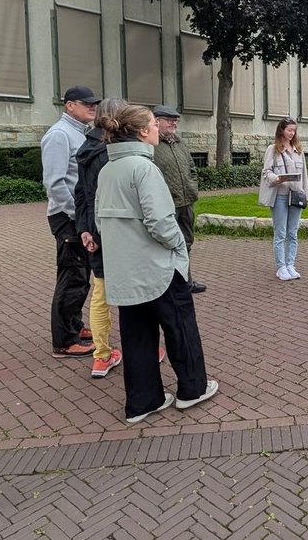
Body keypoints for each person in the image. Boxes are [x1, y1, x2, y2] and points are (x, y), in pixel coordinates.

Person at [95, 103, 218, 424]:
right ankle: (193, 388)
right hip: (158, 268)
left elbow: (100, 220)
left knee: (137, 337)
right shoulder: (144, 168)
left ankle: (143, 400)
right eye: (152, 124)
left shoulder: (108, 170)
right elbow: (162, 222)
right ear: (142, 131)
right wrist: (179, 248)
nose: (157, 129)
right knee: (180, 327)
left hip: (125, 270)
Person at [42, 85, 100, 359]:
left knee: (81, 276)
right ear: (69, 106)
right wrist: (78, 217)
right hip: (68, 218)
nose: (93, 107)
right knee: (72, 276)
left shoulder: (78, 133)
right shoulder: (59, 135)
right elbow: (54, 183)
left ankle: (74, 326)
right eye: (86, 103)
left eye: (94, 103)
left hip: (76, 217)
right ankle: (64, 341)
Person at [74, 98, 127, 378]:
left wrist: (85, 229)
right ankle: (145, 347)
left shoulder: (86, 147)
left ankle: (101, 355)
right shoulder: (114, 151)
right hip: (118, 229)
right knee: (135, 293)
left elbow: (81, 194)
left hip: (93, 229)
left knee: (100, 292)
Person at [152, 105, 206, 294]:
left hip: (186, 202)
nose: (174, 123)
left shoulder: (179, 143)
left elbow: (191, 168)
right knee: (167, 244)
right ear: (156, 121)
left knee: (186, 242)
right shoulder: (151, 144)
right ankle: (167, 285)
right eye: (169, 119)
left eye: (175, 120)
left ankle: (186, 281)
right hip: (167, 205)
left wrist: (193, 187)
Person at [258, 118, 308, 281]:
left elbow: (304, 177)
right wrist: (277, 178)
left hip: (295, 195)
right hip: (280, 196)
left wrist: (306, 195)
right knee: (280, 233)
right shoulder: (273, 149)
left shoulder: (298, 150)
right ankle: (281, 267)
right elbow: (266, 172)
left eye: (294, 130)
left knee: (293, 233)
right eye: (289, 130)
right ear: (281, 130)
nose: (292, 133)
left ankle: (290, 264)